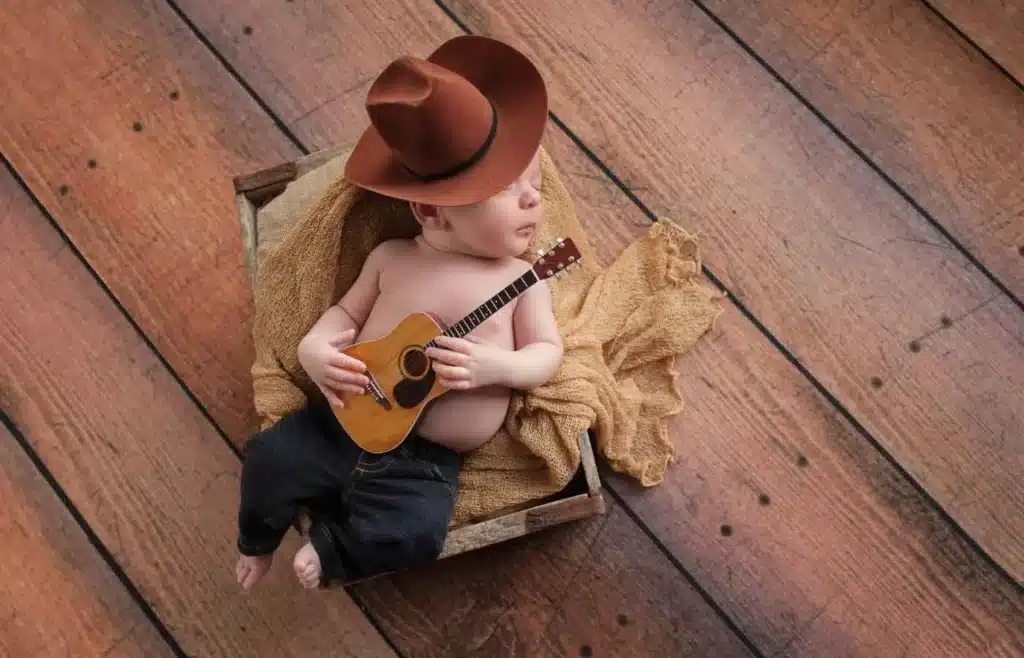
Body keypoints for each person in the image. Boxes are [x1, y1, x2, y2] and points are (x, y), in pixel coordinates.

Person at [234, 35, 563, 590]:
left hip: (423, 466)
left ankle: (336, 549)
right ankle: (257, 539)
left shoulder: (522, 277)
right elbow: (341, 315)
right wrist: (314, 351)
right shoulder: (392, 259)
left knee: (418, 534)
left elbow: (546, 354)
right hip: (343, 422)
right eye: (512, 189)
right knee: (268, 457)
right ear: (432, 212)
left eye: (536, 183)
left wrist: (494, 369)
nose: (535, 199)